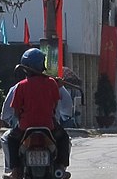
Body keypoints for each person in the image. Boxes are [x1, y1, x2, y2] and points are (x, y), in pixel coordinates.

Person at [5, 48, 71, 179]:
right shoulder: (52, 83)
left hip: (25, 128)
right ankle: (61, 167)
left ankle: (15, 171)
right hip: (49, 127)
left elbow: (17, 110)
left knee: (11, 140)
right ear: (42, 65)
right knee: (63, 139)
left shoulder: (21, 86)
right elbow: (54, 105)